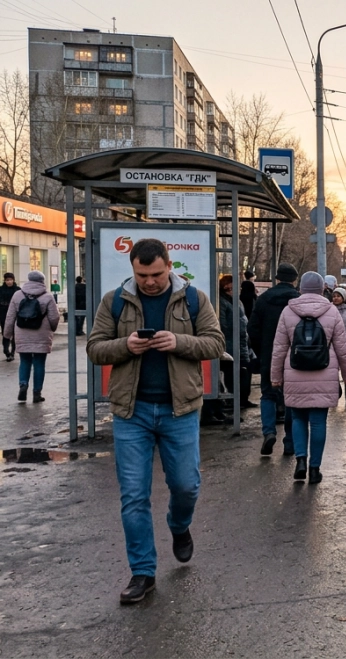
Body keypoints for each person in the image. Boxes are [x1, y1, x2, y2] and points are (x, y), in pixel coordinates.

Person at [85, 238, 224, 604]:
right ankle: (143, 572)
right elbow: (95, 348)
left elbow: (215, 343)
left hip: (180, 410)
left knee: (186, 486)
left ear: (169, 265)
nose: (149, 282)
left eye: (156, 274)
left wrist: (177, 341)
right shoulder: (114, 300)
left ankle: (179, 526)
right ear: (133, 268)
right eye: (142, 274)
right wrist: (125, 346)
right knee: (134, 496)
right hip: (132, 413)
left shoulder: (194, 299)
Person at [270, 272, 346, 485]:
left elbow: (279, 349)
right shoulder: (332, 311)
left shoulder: (288, 311)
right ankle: (315, 469)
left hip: (294, 373)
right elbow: (343, 348)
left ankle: (300, 461)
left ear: (301, 289)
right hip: (324, 373)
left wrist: (275, 377)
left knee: (298, 418)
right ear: (321, 289)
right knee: (318, 422)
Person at [248, 263, 300, 456]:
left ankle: (269, 432)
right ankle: (289, 442)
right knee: (291, 399)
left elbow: (252, 329)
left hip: (269, 355)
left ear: (277, 278)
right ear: (294, 280)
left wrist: (261, 351)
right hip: (294, 358)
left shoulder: (264, 299)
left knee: (268, 394)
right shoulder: (298, 300)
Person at [4, 270, 60, 403]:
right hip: (41, 333)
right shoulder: (47, 296)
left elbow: (10, 316)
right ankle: (37, 393)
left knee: (25, 361)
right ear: (42, 281)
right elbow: (54, 316)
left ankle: (23, 384)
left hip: (22, 332)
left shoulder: (18, 295)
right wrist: (52, 328)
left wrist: (7, 334)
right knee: (39, 363)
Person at [218, 274, 254, 410]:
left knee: (242, 371)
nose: (239, 288)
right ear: (228, 287)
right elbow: (223, 324)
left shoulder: (236, 301)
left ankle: (241, 400)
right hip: (230, 344)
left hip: (241, 342)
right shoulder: (223, 302)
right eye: (237, 286)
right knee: (232, 373)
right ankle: (233, 402)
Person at [0, 272, 22, 361]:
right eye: (7, 280)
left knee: (14, 333)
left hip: (16, 314)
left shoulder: (18, 290)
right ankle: (6, 350)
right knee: (5, 332)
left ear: (13, 280)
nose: (9, 282)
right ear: (4, 281)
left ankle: (12, 352)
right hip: (3, 313)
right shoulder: (1, 290)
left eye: (10, 280)